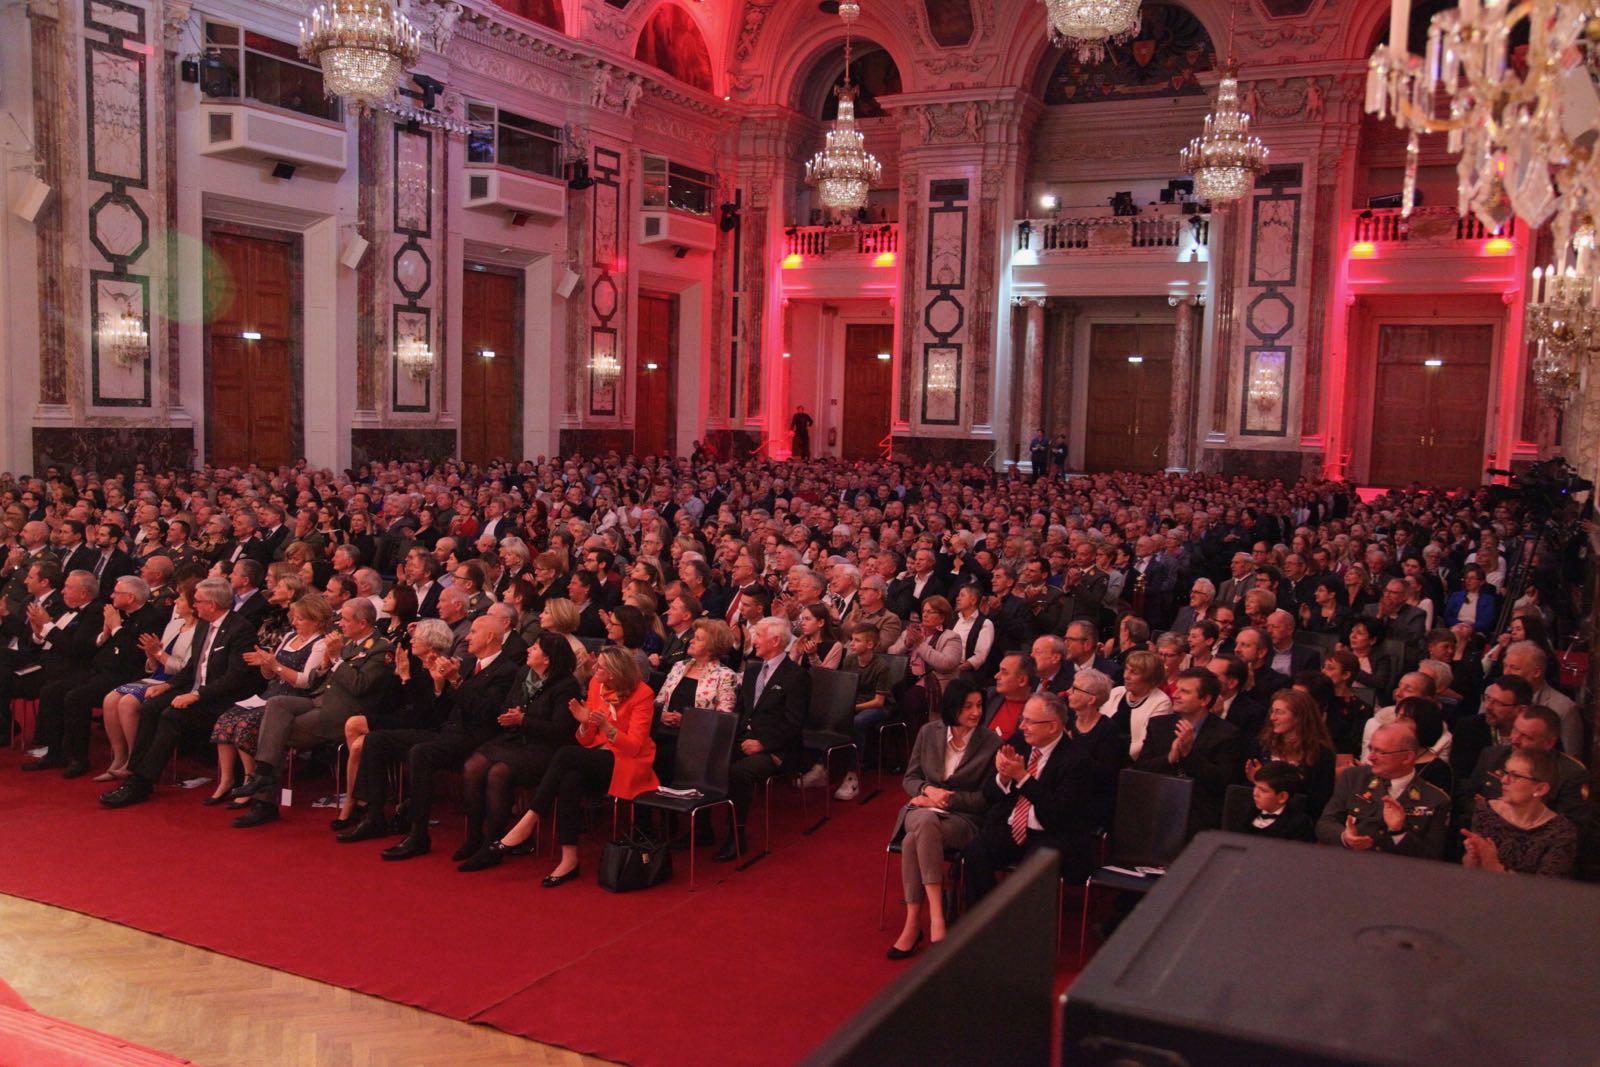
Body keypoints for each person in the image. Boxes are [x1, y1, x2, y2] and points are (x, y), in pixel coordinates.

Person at [339, 614, 520, 857]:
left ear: (489, 637)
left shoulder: (506, 670)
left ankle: (418, 833)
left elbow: (485, 713)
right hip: (446, 731)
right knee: (375, 739)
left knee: (421, 753)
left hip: (477, 738)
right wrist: (438, 686)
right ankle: (374, 817)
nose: (467, 636)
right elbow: (441, 711)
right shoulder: (466, 663)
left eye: (474, 632)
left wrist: (455, 681)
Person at [492, 646, 659, 886]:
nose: (594, 669)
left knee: (566, 754)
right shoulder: (595, 685)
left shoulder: (642, 694)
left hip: (627, 761)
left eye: (600, 666)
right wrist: (584, 724)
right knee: (569, 778)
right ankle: (569, 859)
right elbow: (586, 739)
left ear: (613, 672)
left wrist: (607, 727)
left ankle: (529, 820)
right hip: (597, 755)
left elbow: (633, 746)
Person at [228, 598, 395, 828]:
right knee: (277, 703)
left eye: (345, 620)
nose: (339, 623)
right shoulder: (346, 641)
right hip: (320, 700)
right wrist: (326, 664)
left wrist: (335, 659)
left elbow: (360, 686)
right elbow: (317, 679)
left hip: (347, 714)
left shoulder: (381, 648)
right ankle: (263, 776)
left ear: (363, 623)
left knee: (274, 734)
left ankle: (263, 799)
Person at [99, 578, 260, 809]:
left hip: (219, 697)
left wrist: (197, 695)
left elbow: (235, 678)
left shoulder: (241, 629)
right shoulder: (204, 625)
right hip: (192, 688)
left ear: (212, 605)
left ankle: (142, 783)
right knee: (149, 706)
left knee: (171, 715)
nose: (195, 605)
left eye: (198, 601)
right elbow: (193, 665)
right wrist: (168, 685)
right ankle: (134, 773)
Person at [886, 678, 1003, 958]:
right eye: (967, 707)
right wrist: (927, 791)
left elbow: (985, 798)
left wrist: (947, 799)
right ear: (952, 708)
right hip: (922, 810)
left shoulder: (991, 742)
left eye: (979, 705)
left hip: (964, 819)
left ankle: (915, 923)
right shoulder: (929, 733)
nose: (976, 712)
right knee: (924, 823)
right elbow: (910, 778)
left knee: (918, 834)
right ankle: (937, 919)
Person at [456, 634, 584, 870]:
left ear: (547, 659)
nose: (529, 650)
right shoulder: (524, 673)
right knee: (472, 766)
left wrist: (524, 720)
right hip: (514, 738)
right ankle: (475, 835)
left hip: (544, 748)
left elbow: (560, 730)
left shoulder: (566, 685)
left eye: (535, 648)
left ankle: (494, 845)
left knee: (498, 773)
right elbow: (507, 703)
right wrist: (509, 716)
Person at [962, 691, 1095, 907]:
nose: (1022, 726)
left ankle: (1022, 929)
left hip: (1053, 834)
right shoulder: (1019, 742)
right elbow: (989, 794)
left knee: (1031, 870)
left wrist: (1022, 778)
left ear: (1052, 726)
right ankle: (984, 920)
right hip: (1012, 825)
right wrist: (1003, 778)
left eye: (1029, 722)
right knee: (976, 851)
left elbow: (1057, 813)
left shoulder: (1077, 760)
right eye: (1022, 719)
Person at [207, 594, 331, 806]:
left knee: (246, 725)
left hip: (293, 699)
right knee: (226, 719)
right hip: (271, 693)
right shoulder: (290, 636)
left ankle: (251, 780)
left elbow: (304, 682)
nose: (294, 622)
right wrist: (266, 664)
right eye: (294, 617)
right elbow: (269, 676)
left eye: (300, 618)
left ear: (317, 621)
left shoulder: (321, 645)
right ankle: (227, 779)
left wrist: (275, 666)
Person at [717, 616, 810, 861]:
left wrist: (763, 744)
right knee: (710, 760)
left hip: (779, 748)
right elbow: (741, 709)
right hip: (745, 737)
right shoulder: (753, 669)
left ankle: (736, 837)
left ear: (776, 640)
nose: (753, 640)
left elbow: (794, 723)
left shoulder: (796, 676)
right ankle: (705, 829)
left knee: (738, 772)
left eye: (758, 635)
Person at [98, 578, 199, 780]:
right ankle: (119, 757)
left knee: (127, 703)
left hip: (177, 682)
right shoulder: (174, 624)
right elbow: (153, 665)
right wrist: (152, 654)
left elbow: (186, 669)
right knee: (110, 699)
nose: (176, 602)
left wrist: (158, 653)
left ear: (193, 604)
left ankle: (136, 760)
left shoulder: (200, 630)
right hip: (156, 676)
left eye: (180, 598)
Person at [1135, 668, 1246, 836]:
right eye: (1177, 689)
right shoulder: (1158, 725)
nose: (1175, 694)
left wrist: (1189, 753)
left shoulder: (1227, 734)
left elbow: (1223, 782)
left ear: (1205, 699)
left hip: (1200, 820)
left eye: (1185, 691)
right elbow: (1141, 770)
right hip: (1157, 811)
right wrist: (1170, 758)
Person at [1316, 722, 1451, 860]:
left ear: (1407, 758)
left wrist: (1399, 832)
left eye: (1380, 752)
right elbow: (1325, 824)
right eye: (1371, 749)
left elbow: (1432, 858)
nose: (1371, 757)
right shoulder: (1354, 778)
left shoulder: (1435, 800)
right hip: (1351, 864)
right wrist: (1346, 837)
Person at [1461, 748, 1578, 877]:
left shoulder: (1560, 832)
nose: (1503, 780)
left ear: (1540, 789)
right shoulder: (1486, 811)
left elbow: (1546, 891)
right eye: (1505, 773)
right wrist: (1474, 855)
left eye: (1514, 776)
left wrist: (1494, 866)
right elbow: (1469, 871)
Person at [651, 618, 740, 783]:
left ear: (712, 646)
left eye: (698, 639)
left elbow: (723, 718)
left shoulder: (725, 675)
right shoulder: (679, 666)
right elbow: (659, 702)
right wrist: (662, 716)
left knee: (662, 753)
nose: (691, 641)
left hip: (697, 737)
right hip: (664, 730)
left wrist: (686, 721)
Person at [1249, 688, 1336, 817]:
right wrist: (1255, 781)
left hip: (1299, 820)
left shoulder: (1321, 754)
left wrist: (1267, 783)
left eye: (1279, 712)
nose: (1273, 718)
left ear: (1299, 717)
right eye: (1272, 712)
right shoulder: (1263, 744)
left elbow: (1318, 800)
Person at [1102, 649, 1170, 760]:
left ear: (1150, 678)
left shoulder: (1161, 702)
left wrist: (1114, 756)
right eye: (1126, 670)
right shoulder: (1116, 692)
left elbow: (1146, 743)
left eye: (1134, 672)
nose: (1126, 676)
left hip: (1134, 762)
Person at [1242, 760, 1314, 841]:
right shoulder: (1250, 811)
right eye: (1255, 786)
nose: (1255, 793)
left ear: (1282, 797)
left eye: (1263, 790)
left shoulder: (1298, 825)